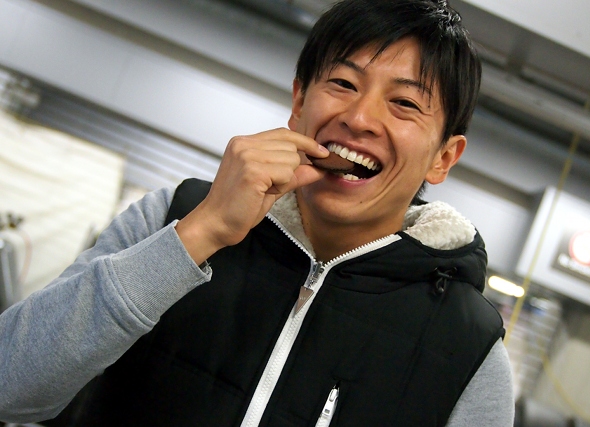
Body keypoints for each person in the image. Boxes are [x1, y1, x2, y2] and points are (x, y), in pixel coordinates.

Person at [0, 0, 514, 425]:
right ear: (299, 102)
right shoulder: (169, 217)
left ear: (444, 157)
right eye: (343, 83)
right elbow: (10, 387)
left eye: (404, 103)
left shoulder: (468, 347)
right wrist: (203, 231)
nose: (359, 118)